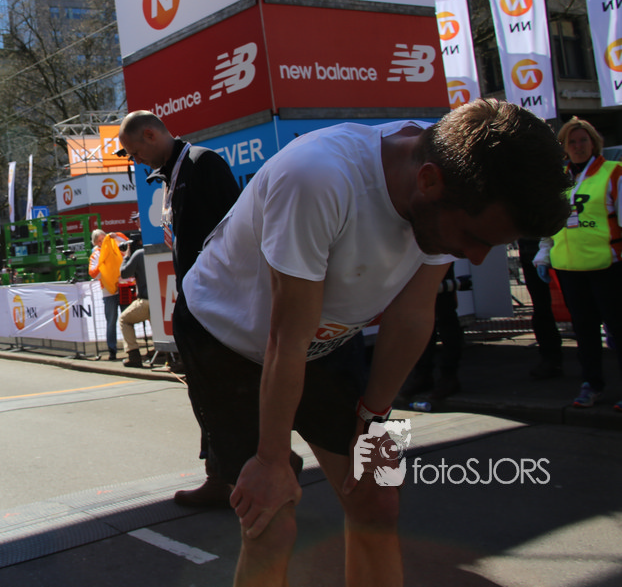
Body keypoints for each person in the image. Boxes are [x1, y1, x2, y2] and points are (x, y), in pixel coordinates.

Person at [175, 99, 570, 586]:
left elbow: (413, 315)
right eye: (474, 237)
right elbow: (285, 337)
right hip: (225, 339)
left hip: (328, 338)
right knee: (271, 519)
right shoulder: (317, 176)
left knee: (380, 497)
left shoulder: (455, 163)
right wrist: (272, 460)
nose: (477, 256)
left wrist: (374, 418)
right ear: (428, 181)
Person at [118, 110, 241, 508]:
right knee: (205, 390)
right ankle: (223, 472)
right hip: (197, 301)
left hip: (217, 302)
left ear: (150, 135)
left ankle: (241, 471)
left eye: (134, 152)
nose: (135, 161)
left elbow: (235, 231)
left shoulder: (202, 164)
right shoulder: (173, 174)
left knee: (220, 391)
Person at [534, 117, 622, 411]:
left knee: (618, 330)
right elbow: (550, 224)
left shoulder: (614, 172)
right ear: (564, 147)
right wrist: (543, 254)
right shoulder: (557, 179)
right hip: (570, 269)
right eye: (571, 142)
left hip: (607, 267)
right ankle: (591, 385)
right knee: (584, 333)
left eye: (583, 140)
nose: (578, 146)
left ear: (594, 143)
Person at [399, 264, 470, 401]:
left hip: (439, 258)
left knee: (445, 317)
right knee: (421, 319)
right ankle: (423, 374)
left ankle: (448, 376)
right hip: (418, 260)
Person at [518, 236, 564, 378]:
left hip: (563, 249)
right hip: (530, 252)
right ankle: (550, 359)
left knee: (580, 308)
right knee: (541, 309)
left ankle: (590, 364)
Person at [88, 229, 123, 361]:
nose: (103, 242)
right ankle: (112, 350)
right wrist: (103, 263)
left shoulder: (115, 245)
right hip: (108, 292)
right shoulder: (95, 255)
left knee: (127, 320)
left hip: (122, 288)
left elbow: (126, 245)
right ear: (95, 243)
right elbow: (93, 273)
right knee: (111, 322)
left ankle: (131, 349)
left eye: (104, 238)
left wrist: (116, 236)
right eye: (99, 240)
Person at [118, 242, 151, 368]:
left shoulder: (139, 254)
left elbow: (124, 273)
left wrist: (126, 256)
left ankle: (133, 355)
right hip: (162, 300)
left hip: (146, 300)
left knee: (124, 320)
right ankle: (165, 352)